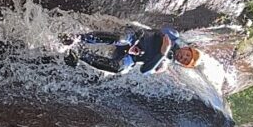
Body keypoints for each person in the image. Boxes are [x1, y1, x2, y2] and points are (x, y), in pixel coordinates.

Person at [62, 27, 201, 75]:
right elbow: (160, 32)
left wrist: (162, 54)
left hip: (131, 57)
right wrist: (166, 46)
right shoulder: (173, 36)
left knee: (119, 69)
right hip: (136, 37)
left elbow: (144, 70)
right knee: (120, 38)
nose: (183, 57)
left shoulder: (164, 65)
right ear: (185, 48)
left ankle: (80, 53)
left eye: (185, 60)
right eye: (187, 54)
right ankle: (77, 38)